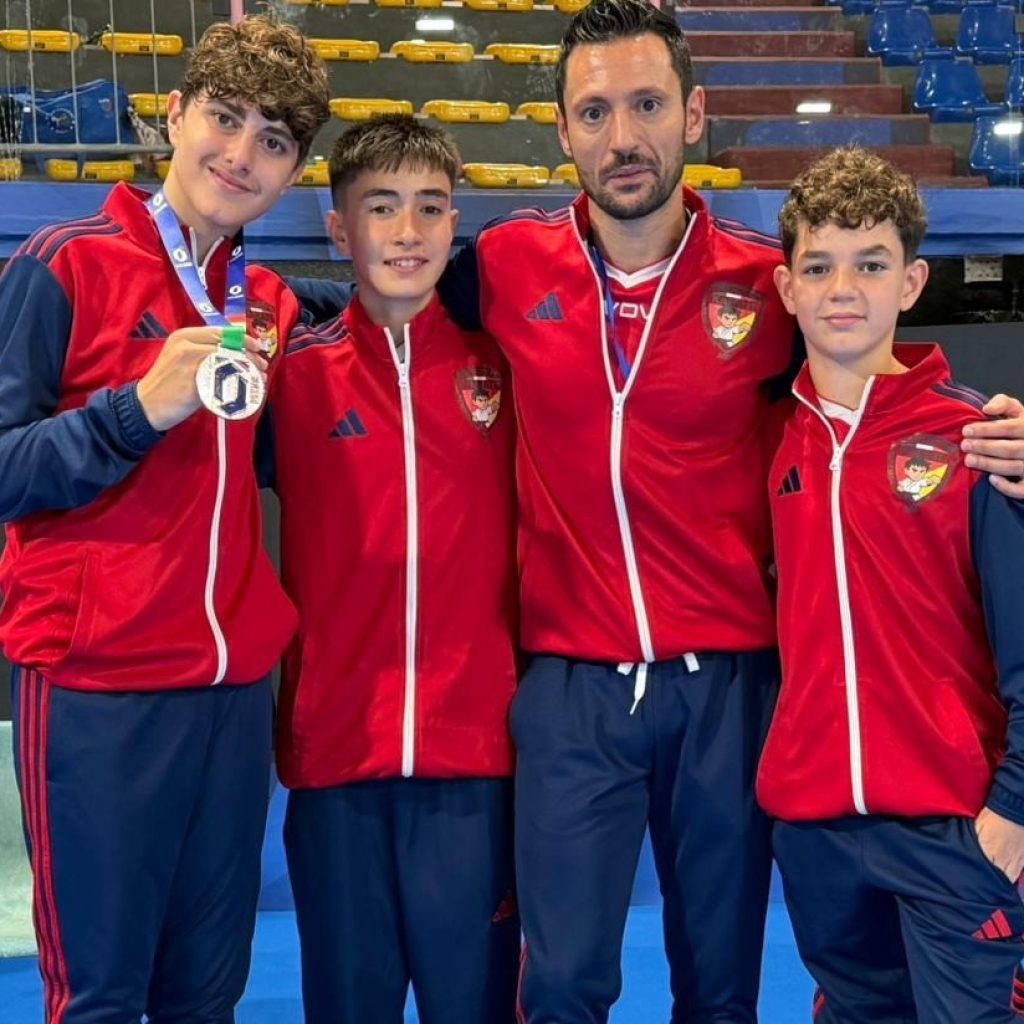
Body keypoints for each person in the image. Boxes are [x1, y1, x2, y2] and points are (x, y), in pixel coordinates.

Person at [288, 3, 1024, 1020]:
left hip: (727, 689)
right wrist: (271, 312)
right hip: (571, 691)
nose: (622, 137)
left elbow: (873, 389)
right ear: (562, 129)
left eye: (646, 105)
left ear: (695, 113)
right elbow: (386, 289)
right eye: (594, 112)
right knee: (560, 984)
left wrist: (992, 425)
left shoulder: (766, 284)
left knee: (719, 987)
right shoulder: (505, 265)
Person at [0, 16, 329, 1023]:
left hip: (230, 701)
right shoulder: (64, 264)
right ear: (175, 115)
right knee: (101, 998)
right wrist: (131, 414)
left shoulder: (265, 303)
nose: (240, 154)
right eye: (225, 119)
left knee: (206, 997)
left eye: (273, 140)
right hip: (99, 689)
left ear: (293, 171)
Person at [263, 114, 520, 1024]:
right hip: (335, 762)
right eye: (381, 208)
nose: (408, 231)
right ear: (339, 229)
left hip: (478, 765)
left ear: (455, 224)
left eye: (430, 206)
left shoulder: (508, 370)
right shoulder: (291, 379)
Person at [757, 145, 1024, 1024]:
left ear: (911, 283)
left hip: (955, 828)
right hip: (818, 834)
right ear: (786, 287)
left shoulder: (979, 441)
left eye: (870, 265)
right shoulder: (773, 444)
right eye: (819, 267)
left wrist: (1014, 809)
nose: (843, 289)